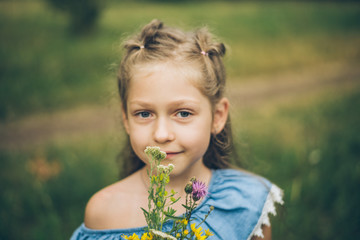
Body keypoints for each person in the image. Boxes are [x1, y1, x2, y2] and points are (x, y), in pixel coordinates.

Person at [70, 19, 283, 240]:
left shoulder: (246, 202)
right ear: (126, 120)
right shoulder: (104, 213)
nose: (161, 135)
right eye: (144, 114)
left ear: (217, 117)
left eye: (183, 113)